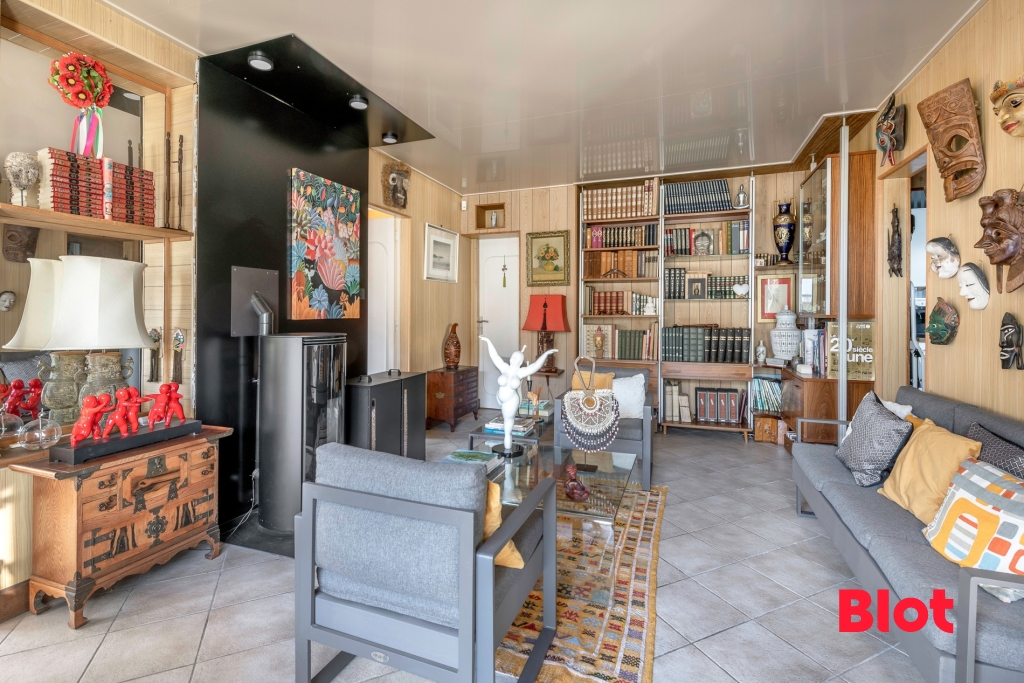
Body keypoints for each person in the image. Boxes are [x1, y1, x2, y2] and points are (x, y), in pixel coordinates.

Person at [478, 337, 556, 453]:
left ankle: (507, 449)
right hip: (500, 398)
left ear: (520, 363)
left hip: (511, 401)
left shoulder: (520, 372)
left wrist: (546, 354)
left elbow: (535, 366)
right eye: (512, 357)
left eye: (516, 358)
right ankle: (507, 447)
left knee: (507, 426)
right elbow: (495, 356)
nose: (513, 359)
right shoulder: (504, 367)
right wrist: (488, 341)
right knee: (506, 422)